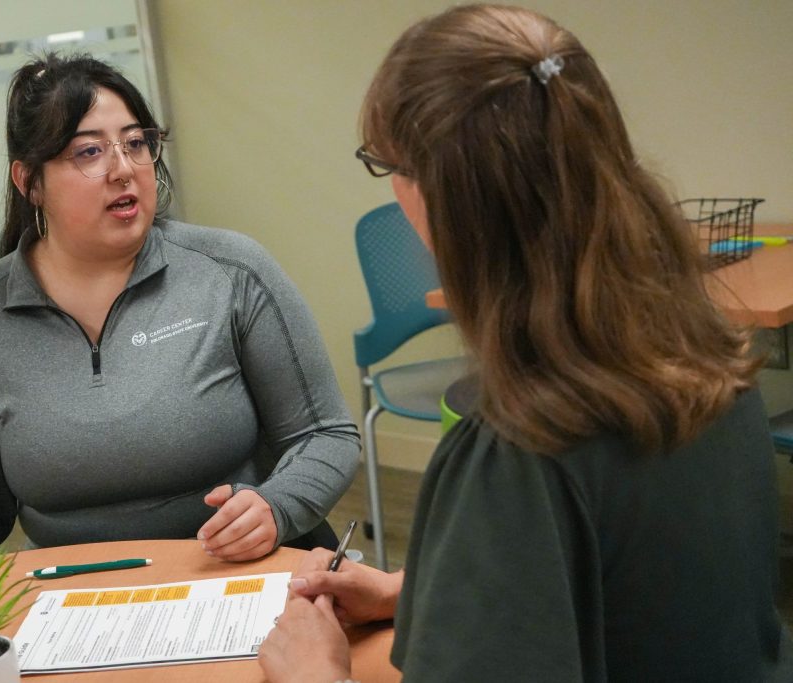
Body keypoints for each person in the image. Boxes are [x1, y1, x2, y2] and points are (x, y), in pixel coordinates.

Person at [259, 4, 793, 681]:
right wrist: (422, 589)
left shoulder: (517, 446)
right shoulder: (707, 357)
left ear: (443, 196)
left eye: (383, 164)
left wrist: (312, 672)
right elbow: (642, 590)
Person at [0, 52, 360, 561]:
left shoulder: (232, 271)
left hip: (231, 570)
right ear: (30, 181)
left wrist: (276, 507)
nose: (123, 169)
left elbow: (326, 435)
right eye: (89, 151)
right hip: (79, 601)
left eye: (135, 143)